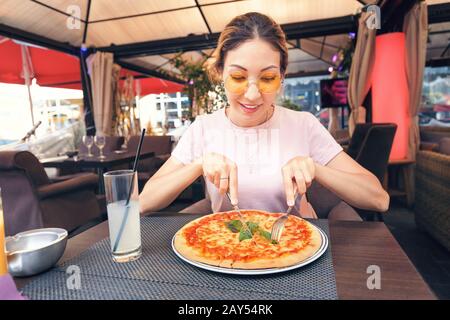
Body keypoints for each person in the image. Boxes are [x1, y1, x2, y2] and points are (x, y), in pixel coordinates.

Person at [139, 12, 389, 216]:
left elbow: (379, 200)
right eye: (238, 77)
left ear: (281, 78)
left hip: (292, 248)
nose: (252, 95)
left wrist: (316, 168)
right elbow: (143, 202)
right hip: (224, 252)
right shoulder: (204, 128)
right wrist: (198, 165)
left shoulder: (303, 125)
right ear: (221, 73)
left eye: (267, 78)